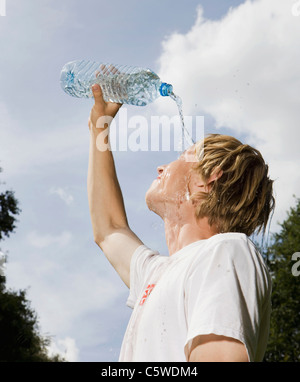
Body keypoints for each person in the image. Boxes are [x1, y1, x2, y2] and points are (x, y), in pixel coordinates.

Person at [87, 83, 275, 362]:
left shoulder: (227, 251)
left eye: (180, 158)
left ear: (209, 179)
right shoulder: (158, 272)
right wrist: (98, 131)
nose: (161, 167)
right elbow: (109, 229)